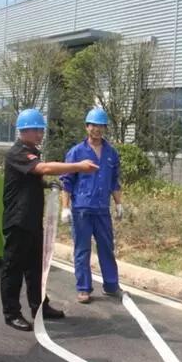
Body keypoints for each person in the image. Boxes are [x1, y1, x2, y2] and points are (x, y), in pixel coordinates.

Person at [1, 108, 99, 332]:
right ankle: (12, 313)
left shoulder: (32, 152)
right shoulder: (18, 152)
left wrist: (48, 184)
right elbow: (43, 168)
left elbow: (31, 179)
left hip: (33, 220)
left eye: (41, 130)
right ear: (24, 131)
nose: (40, 134)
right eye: (36, 130)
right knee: (13, 268)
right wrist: (78, 166)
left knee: (36, 268)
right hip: (18, 221)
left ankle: (40, 307)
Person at [60, 108, 123, 304]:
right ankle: (84, 288)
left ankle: (111, 285)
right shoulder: (76, 152)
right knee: (82, 250)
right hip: (81, 210)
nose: (97, 129)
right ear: (87, 127)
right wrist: (65, 207)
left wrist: (119, 204)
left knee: (107, 248)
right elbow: (67, 182)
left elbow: (114, 181)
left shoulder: (111, 153)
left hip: (102, 209)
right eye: (93, 125)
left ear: (105, 128)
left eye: (101, 126)